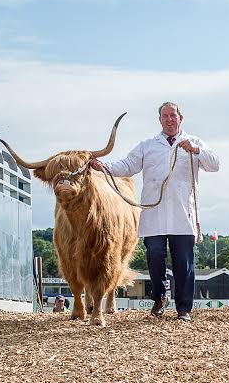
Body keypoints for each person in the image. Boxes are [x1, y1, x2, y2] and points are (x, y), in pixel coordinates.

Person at [91, 102, 220, 322]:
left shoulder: (193, 142)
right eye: (165, 116)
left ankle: (183, 309)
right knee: (155, 257)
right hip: (154, 213)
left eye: (173, 115)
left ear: (181, 118)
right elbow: (128, 165)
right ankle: (160, 297)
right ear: (159, 120)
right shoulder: (148, 145)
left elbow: (215, 164)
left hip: (183, 214)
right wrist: (104, 167)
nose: (169, 119)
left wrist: (196, 150)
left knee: (184, 264)